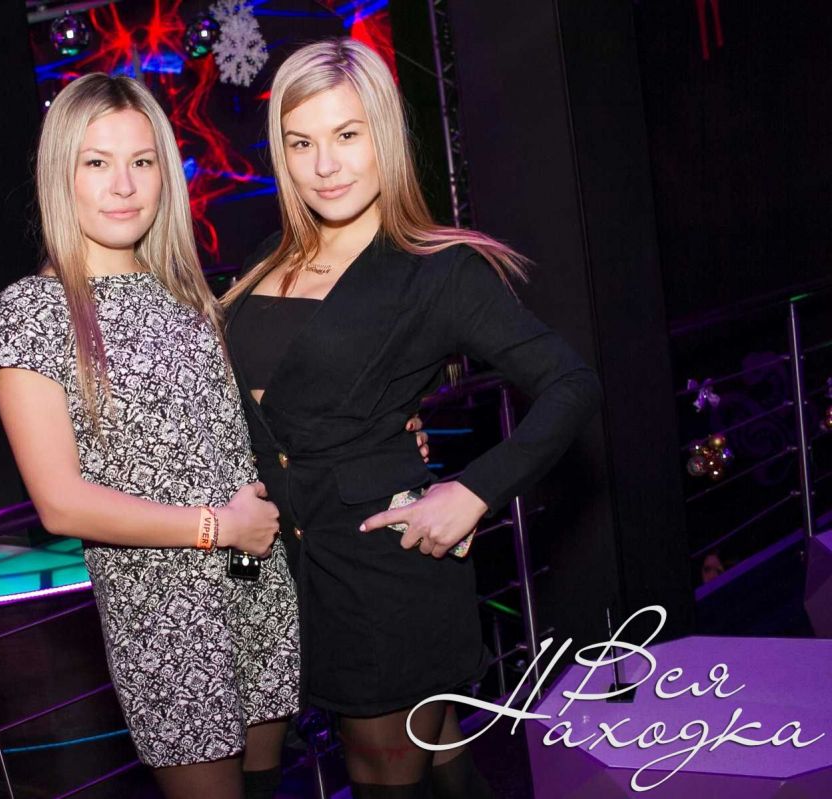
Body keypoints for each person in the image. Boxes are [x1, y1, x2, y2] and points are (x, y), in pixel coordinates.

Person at [222, 39, 602, 798]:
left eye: (347, 134)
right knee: (430, 755)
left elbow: (571, 383)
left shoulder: (439, 270)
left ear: (386, 136)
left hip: (379, 562)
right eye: (301, 143)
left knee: (384, 770)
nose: (325, 165)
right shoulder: (269, 259)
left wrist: (473, 491)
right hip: (275, 562)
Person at [0, 74, 299, 798]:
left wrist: (386, 424)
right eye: (96, 162)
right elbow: (60, 503)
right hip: (163, 618)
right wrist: (220, 528)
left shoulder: (186, 292)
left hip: (257, 582)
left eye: (142, 161)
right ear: (60, 175)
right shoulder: (34, 310)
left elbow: (242, 425)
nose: (123, 185)